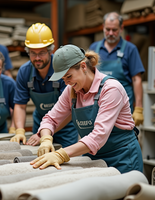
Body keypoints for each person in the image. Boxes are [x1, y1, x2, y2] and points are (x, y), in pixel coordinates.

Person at [30, 44, 143, 174]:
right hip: (93, 157)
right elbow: (50, 119)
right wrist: (45, 139)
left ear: (83, 66)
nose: (66, 82)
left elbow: (98, 137)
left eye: (69, 76)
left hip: (122, 158)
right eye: (63, 79)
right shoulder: (71, 90)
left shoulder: (111, 89)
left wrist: (61, 154)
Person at [11, 23, 78, 147]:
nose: (37, 58)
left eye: (41, 53)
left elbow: (69, 109)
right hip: (40, 125)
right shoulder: (25, 72)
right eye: (32, 53)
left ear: (50, 50)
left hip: (65, 128)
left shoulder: (62, 70)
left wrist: (45, 134)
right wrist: (19, 130)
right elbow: (20, 105)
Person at [89, 12, 145, 126]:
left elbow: (137, 79)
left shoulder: (130, 49)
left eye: (114, 30)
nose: (110, 33)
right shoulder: (94, 49)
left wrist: (139, 108)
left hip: (122, 109)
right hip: (98, 107)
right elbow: (87, 77)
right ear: (103, 27)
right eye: (107, 29)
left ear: (121, 28)